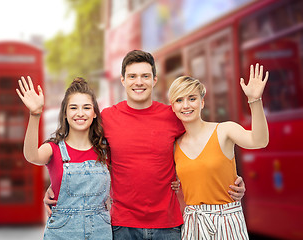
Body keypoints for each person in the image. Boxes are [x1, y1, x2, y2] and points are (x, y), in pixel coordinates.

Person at [44, 50, 246, 239]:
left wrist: (231, 177)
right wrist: (58, 183)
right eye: (132, 76)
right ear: (122, 80)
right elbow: (83, 150)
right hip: (122, 225)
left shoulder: (173, 116)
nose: (138, 82)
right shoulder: (107, 118)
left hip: (168, 225)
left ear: (154, 80)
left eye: (145, 76)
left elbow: (204, 145)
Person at [168, 64, 269, 239]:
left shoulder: (225, 130)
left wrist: (255, 100)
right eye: (179, 100)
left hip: (228, 220)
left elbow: (259, 141)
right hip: (194, 223)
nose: (186, 105)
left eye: (192, 98)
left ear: (202, 102)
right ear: (172, 106)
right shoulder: (174, 146)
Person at [16, 76, 112, 240]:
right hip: (62, 232)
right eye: (73, 108)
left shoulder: (105, 149)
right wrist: (35, 114)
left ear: (95, 113)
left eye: (86, 107)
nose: (80, 113)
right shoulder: (54, 148)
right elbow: (31, 155)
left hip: (100, 231)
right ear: (65, 114)